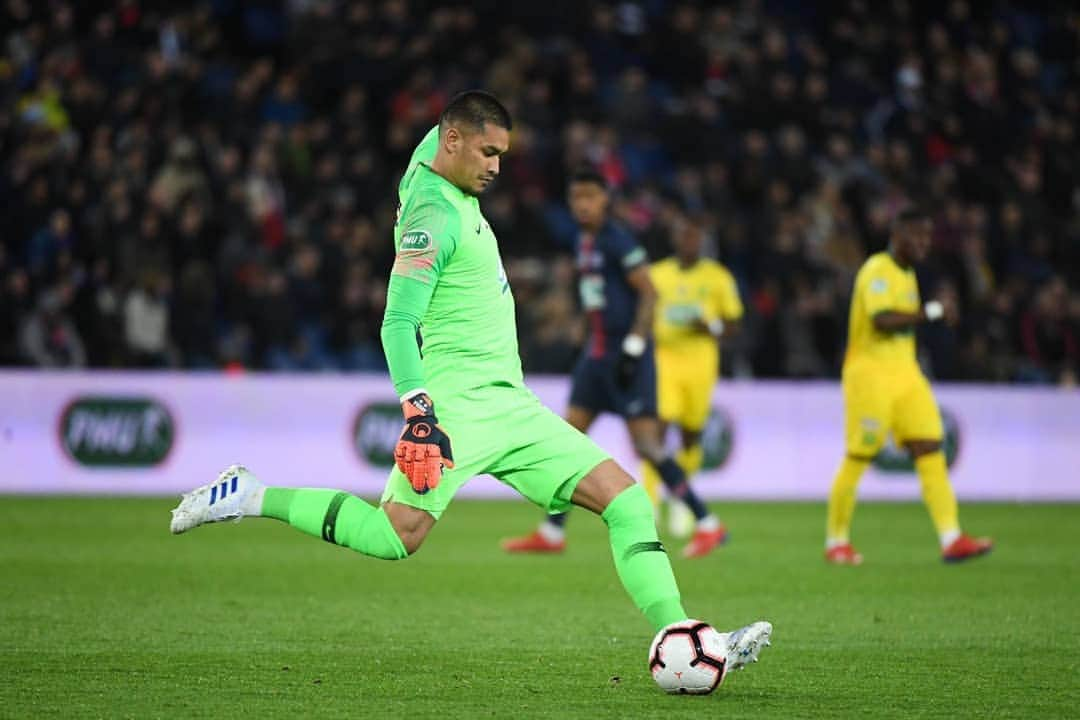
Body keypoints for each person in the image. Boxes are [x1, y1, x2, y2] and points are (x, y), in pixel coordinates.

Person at [169, 90, 771, 668]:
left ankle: (685, 636)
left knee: (627, 500)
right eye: (488, 153)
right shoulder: (432, 217)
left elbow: (449, 125)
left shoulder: (436, 162)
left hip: (512, 403)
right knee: (394, 536)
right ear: (452, 141)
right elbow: (397, 322)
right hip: (457, 406)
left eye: (503, 155)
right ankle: (249, 495)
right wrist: (420, 413)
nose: (496, 168)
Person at [500, 170, 727, 558]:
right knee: (567, 441)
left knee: (648, 447)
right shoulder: (582, 241)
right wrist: (583, 331)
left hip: (626, 356)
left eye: (590, 197)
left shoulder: (618, 240)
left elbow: (650, 294)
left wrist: (636, 346)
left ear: (605, 199)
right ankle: (552, 533)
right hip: (596, 355)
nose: (582, 205)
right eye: (576, 197)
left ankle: (707, 524)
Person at [825, 206, 993, 565]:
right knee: (860, 454)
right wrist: (931, 312)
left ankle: (952, 538)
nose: (923, 242)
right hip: (870, 375)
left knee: (930, 446)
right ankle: (836, 540)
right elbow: (882, 319)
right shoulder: (877, 270)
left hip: (907, 374)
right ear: (896, 234)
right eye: (917, 235)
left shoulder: (908, 274)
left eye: (927, 236)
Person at [641, 217, 743, 537]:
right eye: (684, 237)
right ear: (676, 240)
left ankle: (682, 501)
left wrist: (710, 327)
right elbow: (643, 314)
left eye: (695, 238)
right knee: (656, 430)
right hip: (663, 363)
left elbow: (734, 323)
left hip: (700, 367)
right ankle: (649, 501)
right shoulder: (657, 274)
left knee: (690, 435)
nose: (689, 243)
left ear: (703, 242)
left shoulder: (718, 277)